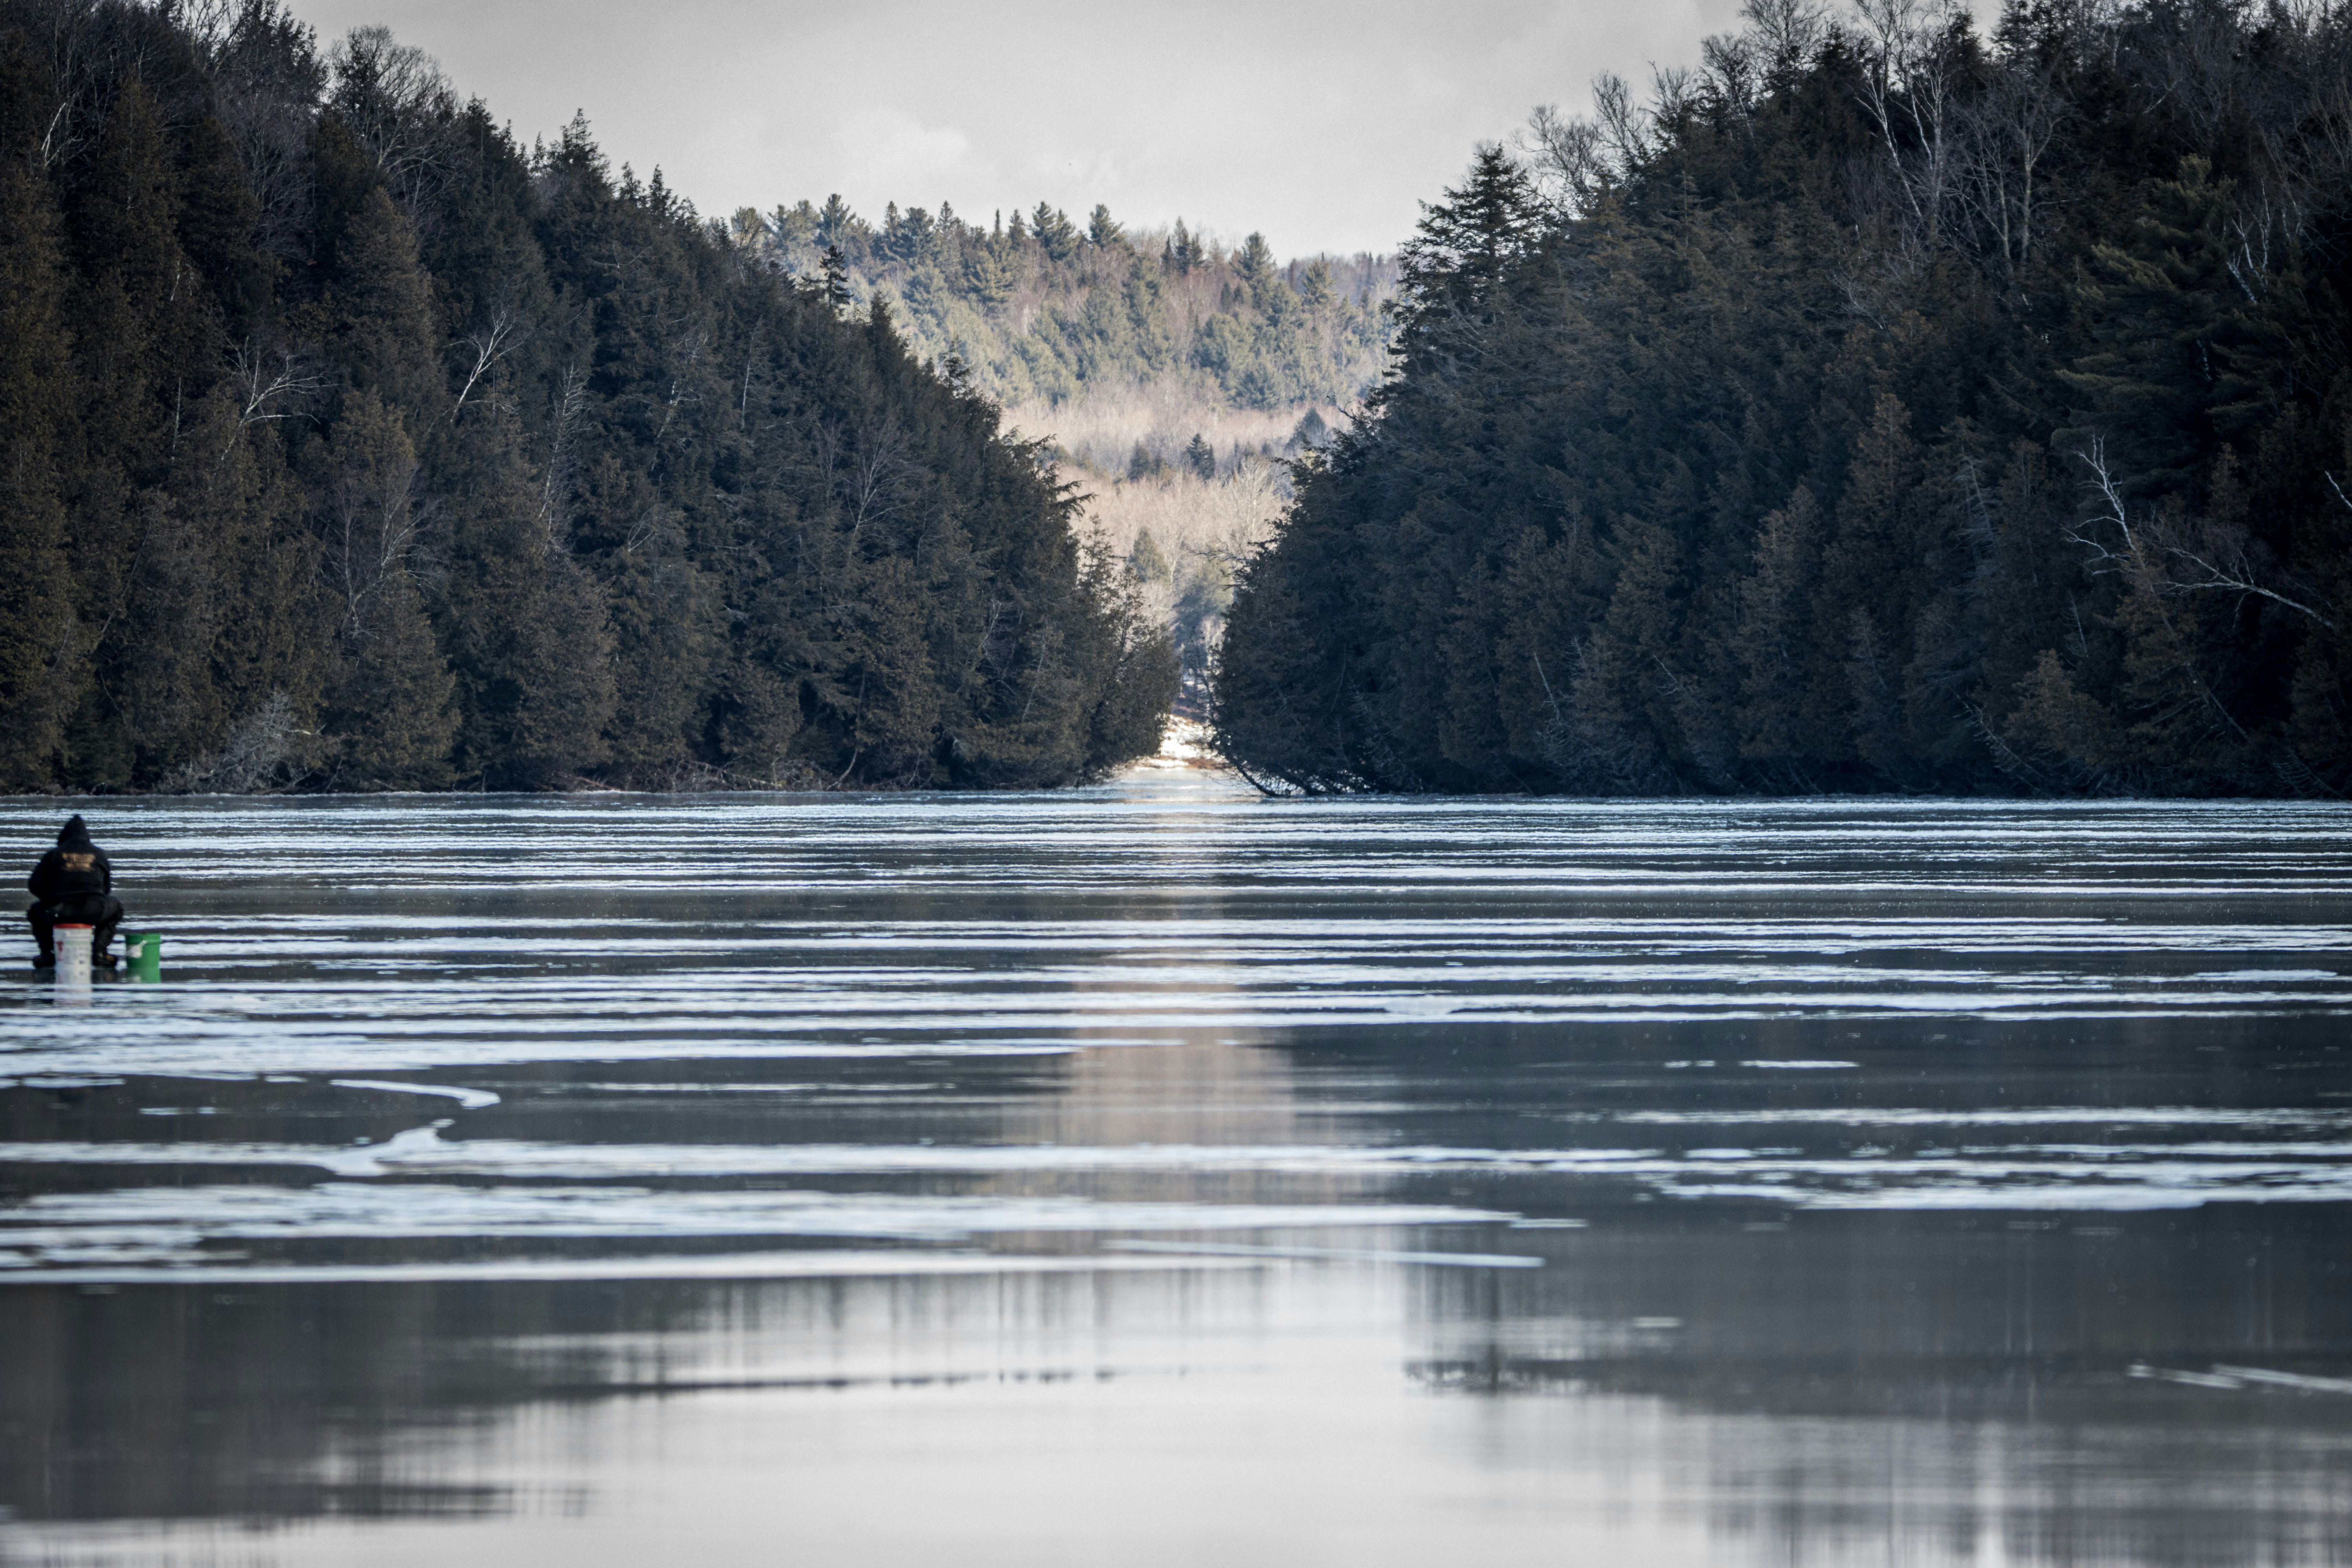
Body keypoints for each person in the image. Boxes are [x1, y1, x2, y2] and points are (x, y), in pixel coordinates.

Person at [28, 815, 123, 971]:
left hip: (60, 911)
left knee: (35, 911)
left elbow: (34, 885)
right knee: (116, 908)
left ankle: (48, 954)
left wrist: (50, 900)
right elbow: (106, 890)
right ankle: (99, 953)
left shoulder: (54, 854)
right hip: (93, 911)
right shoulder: (99, 855)